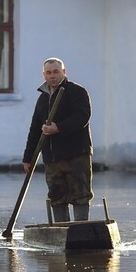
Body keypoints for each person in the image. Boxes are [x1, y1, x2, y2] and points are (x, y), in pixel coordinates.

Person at [22, 57, 93, 222]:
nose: (52, 75)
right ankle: (62, 230)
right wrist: (28, 158)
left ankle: (80, 229)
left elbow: (82, 117)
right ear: (44, 74)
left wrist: (58, 128)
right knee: (57, 195)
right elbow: (34, 130)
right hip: (52, 158)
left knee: (80, 194)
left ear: (64, 72)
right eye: (49, 72)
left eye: (56, 72)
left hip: (76, 155)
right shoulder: (42, 99)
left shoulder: (77, 92)